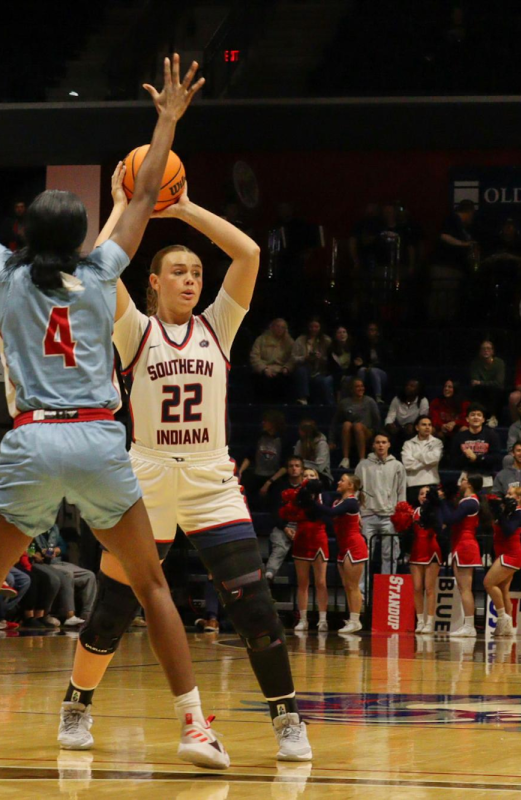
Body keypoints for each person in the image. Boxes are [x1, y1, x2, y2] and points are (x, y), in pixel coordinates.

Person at [0, 60, 229, 773]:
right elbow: (148, 190)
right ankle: (195, 728)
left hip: (33, 440)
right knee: (151, 585)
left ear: (28, 232)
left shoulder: (5, 273)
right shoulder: (102, 273)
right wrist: (167, 119)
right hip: (97, 437)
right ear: (82, 235)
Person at [99, 159, 310, 761]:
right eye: (178, 272)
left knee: (256, 605)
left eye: (195, 272)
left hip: (210, 478)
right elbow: (100, 265)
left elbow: (246, 255)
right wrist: (125, 203)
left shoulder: (219, 326)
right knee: (115, 607)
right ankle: (76, 705)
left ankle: (287, 720)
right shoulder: (134, 331)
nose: (190, 280)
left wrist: (185, 207)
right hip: (145, 475)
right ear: (153, 284)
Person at [309, 473, 368, 634]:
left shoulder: (351, 503)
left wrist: (312, 503)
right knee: (347, 586)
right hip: (344, 546)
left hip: (355, 546)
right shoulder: (338, 501)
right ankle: (352, 618)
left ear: (351, 486)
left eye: (342, 480)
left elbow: (330, 513)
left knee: (353, 585)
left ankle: (356, 621)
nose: (338, 482)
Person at [282, 469, 330, 633]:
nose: (308, 478)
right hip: (301, 538)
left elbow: (328, 517)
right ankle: (303, 619)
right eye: (305, 476)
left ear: (317, 479)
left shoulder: (325, 497)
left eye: (312, 476)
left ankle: (322, 620)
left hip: (319, 538)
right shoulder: (296, 497)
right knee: (303, 582)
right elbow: (286, 514)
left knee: (321, 582)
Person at [442, 475, 488, 638]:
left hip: (465, 544)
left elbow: (451, 519)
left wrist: (443, 501)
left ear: (469, 483)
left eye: (462, 479)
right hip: (461, 543)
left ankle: (470, 626)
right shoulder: (468, 501)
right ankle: (468, 624)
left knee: (465, 588)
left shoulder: (470, 502)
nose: (460, 482)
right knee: (463, 588)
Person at [485, 486, 521, 637]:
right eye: (507, 492)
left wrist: (500, 513)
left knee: (488, 583)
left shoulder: (519, 513)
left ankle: (502, 617)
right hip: (503, 554)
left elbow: (508, 530)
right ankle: (508, 627)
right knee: (504, 590)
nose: (507, 495)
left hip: (511, 555)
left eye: (511, 494)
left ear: (519, 499)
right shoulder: (508, 511)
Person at [392, 487, 441, 634]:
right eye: (421, 494)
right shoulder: (413, 513)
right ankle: (420, 621)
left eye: (426, 494)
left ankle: (430, 622)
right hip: (416, 550)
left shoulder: (435, 511)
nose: (423, 496)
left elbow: (440, 527)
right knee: (417, 588)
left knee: (430, 588)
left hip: (431, 549)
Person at [356, 434, 405, 576]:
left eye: (384, 442)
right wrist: (357, 514)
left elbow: (401, 491)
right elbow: (356, 490)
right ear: (373, 445)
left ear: (389, 444)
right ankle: (361, 593)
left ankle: (387, 591)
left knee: (389, 555)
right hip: (367, 515)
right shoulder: (363, 465)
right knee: (363, 556)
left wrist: (400, 515)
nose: (381, 445)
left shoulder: (397, 466)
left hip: (389, 517)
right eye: (377, 442)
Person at [32, 525, 95, 626]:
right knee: (67, 574)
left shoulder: (53, 527)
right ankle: (69, 616)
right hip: (43, 563)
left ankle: (87, 615)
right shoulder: (31, 528)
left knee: (89, 575)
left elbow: (63, 546)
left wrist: (57, 550)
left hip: (57, 561)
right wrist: (38, 554)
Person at [330, 378, 381, 468]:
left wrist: (376, 437)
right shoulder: (344, 403)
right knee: (346, 424)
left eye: (362, 386)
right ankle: (345, 459)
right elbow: (335, 422)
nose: (361, 388)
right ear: (351, 389)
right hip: (351, 433)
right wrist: (331, 440)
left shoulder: (370, 401)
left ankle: (362, 459)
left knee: (357, 426)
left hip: (367, 431)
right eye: (357, 386)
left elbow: (377, 421)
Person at [448, 404, 502, 480]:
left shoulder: (492, 435)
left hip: (486, 476)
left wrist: (477, 458)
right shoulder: (459, 437)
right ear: (467, 419)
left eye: (479, 415)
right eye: (472, 415)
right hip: (465, 477)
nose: (476, 417)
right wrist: (466, 457)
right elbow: (453, 461)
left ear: (483, 419)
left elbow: (497, 458)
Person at [248, 319, 293, 401]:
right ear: (272, 327)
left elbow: (292, 358)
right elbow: (254, 356)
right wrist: (264, 369)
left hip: (281, 370)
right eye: (277, 326)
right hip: (265, 369)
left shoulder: (289, 342)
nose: (279, 329)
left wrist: (287, 367)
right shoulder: (261, 339)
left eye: (282, 327)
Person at [291, 318, 334, 405]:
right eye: (311, 327)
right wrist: (305, 358)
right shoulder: (301, 339)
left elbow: (332, 360)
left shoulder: (326, 340)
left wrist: (321, 358)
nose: (314, 329)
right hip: (305, 370)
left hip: (320, 371)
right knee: (301, 370)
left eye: (316, 327)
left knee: (324, 381)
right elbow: (293, 358)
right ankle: (303, 398)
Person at [467, 340, 506, 421]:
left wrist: (481, 383)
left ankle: (493, 417)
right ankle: (479, 417)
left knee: (496, 390)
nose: (486, 350)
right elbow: (474, 382)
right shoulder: (475, 363)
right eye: (483, 348)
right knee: (476, 391)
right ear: (480, 351)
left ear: (493, 351)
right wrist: (485, 384)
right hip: (481, 391)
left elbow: (499, 383)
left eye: (488, 348)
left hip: (495, 392)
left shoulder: (499, 363)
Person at [354, 322, 390, 402]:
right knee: (361, 370)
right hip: (367, 370)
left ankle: (378, 397)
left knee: (373, 371)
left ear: (377, 332)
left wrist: (372, 367)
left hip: (381, 372)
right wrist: (360, 363)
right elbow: (361, 360)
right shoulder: (364, 345)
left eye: (374, 330)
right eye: (370, 330)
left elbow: (386, 362)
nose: (371, 332)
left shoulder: (383, 344)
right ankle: (359, 395)